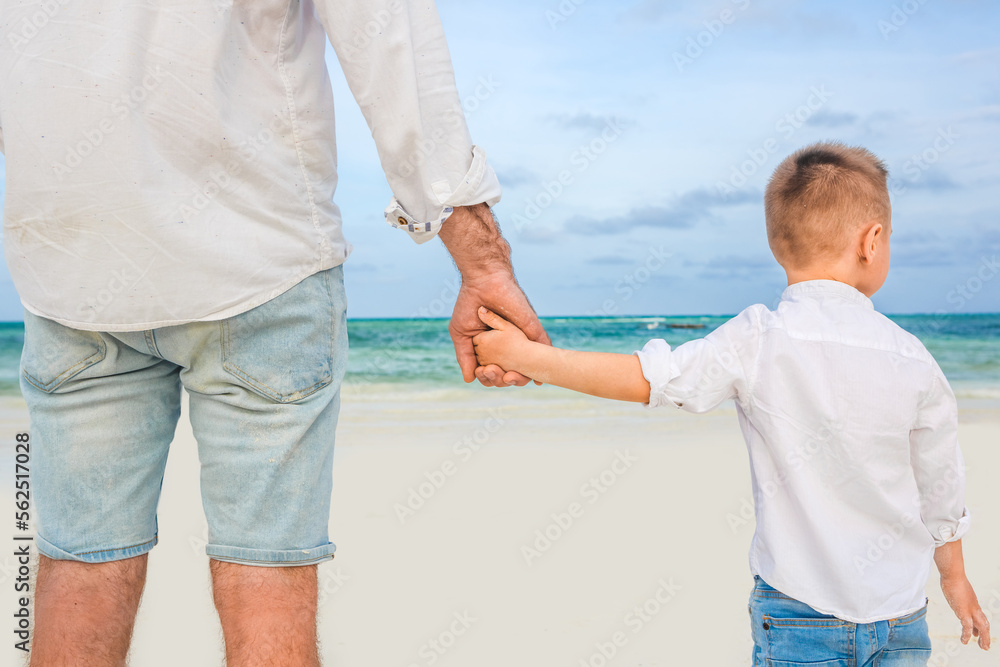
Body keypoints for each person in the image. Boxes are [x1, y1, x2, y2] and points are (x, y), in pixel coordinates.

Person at [0, 1, 548, 665]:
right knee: (266, 579)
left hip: (75, 264)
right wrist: (482, 259)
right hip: (257, 253)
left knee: (80, 569)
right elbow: (385, 34)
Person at [472, 142, 992, 663]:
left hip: (798, 611)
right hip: (900, 613)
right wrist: (955, 577)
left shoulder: (759, 339)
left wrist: (531, 357)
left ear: (777, 243)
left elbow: (652, 380)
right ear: (872, 241)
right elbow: (941, 487)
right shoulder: (914, 358)